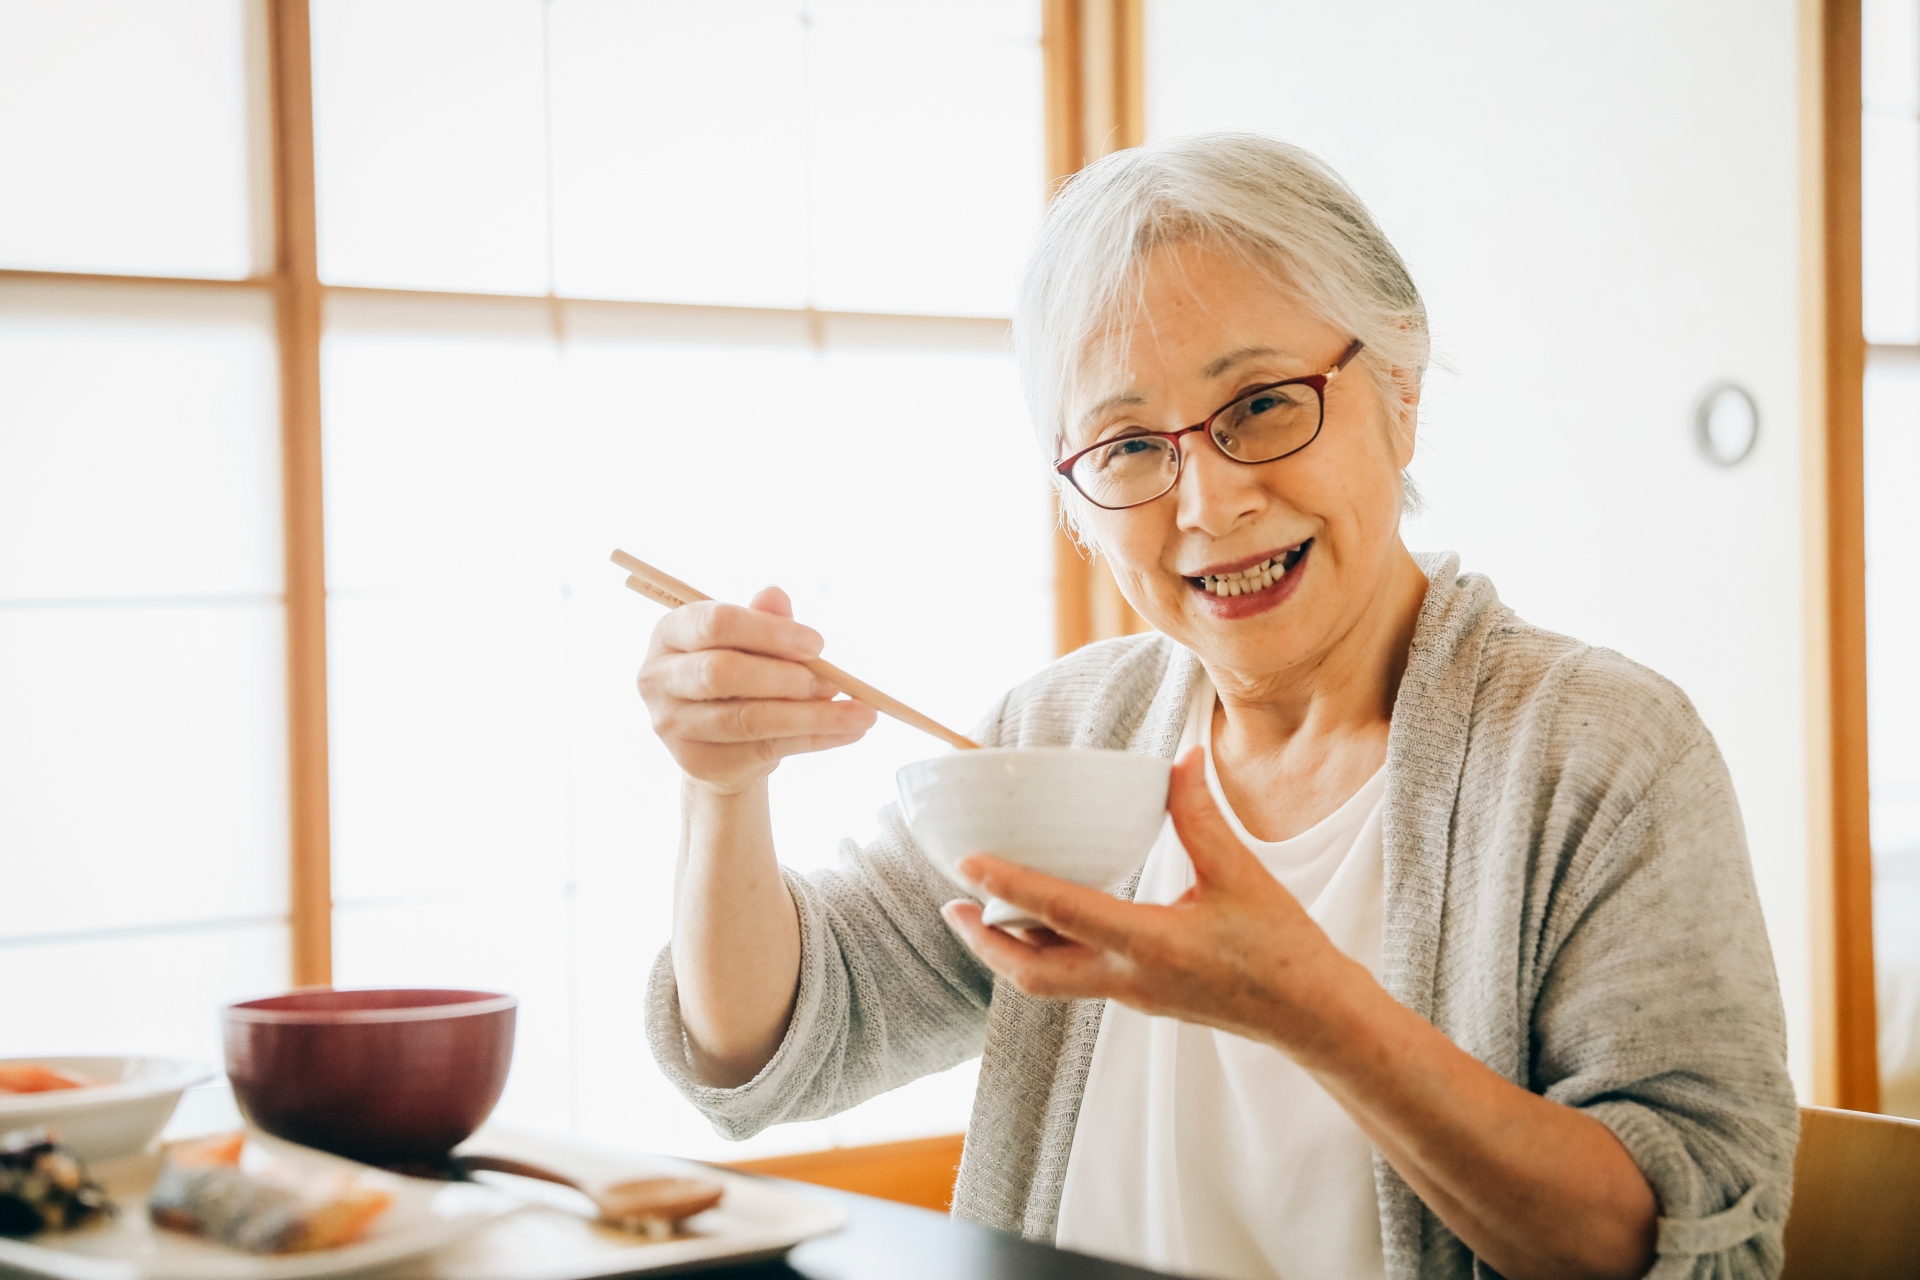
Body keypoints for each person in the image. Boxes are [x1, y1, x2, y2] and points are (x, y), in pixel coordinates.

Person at [635, 132, 1797, 1280]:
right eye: (1133, 443)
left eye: (1262, 404)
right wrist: (720, 790)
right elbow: (767, 1048)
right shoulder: (1065, 737)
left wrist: (1317, 1013)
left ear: (1397, 389)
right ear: (1076, 498)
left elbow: (1694, 1248)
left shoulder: (1600, 752)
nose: (1210, 500)